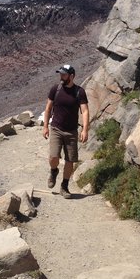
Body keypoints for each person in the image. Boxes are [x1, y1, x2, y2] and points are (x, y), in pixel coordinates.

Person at [42, 64, 89, 198]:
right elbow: (48, 108)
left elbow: (85, 111)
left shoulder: (79, 92)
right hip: (56, 128)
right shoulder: (55, 89)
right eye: (60, 74)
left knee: (70, 160)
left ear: (72, 76)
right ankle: (53, 170)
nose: (61, 77)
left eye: (64, 74)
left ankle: (64, 186)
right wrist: (45, 126)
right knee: (53, 157)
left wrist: (85, 129)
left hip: (71, 131)